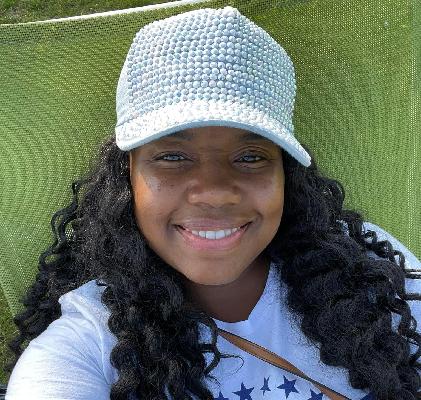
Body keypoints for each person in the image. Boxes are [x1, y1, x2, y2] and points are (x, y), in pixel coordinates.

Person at [3, 5, 421, 400]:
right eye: (172, 157)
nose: (215, 192)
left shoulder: (370, 271)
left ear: (286, 174)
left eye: (251, 157)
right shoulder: (87, 343)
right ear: (126, 175)